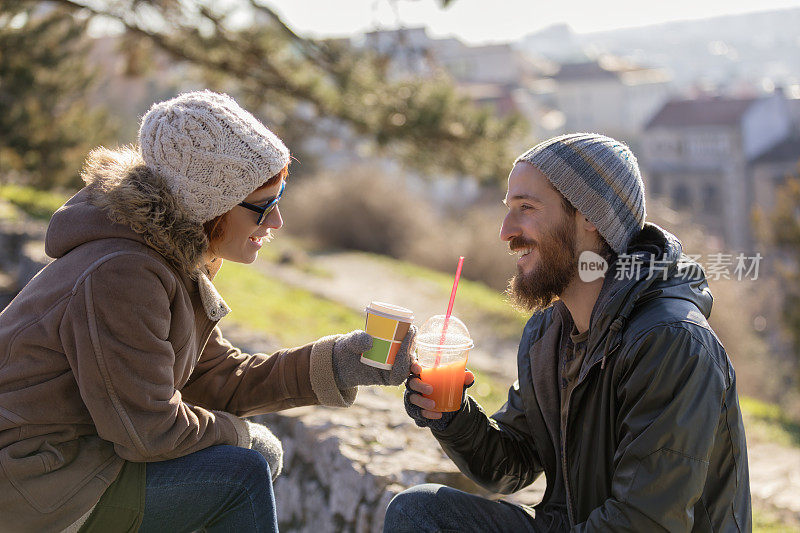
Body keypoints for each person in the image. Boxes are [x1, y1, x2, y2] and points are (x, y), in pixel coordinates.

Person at [0, 90, 414, 532]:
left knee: (252, 459)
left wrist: (341, 363)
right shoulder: (123, 274)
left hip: (75, 460)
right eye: (263, 207)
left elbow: (217, 378)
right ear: (209, 205)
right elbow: (149, 431)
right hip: (34, 479)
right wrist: (240, 435)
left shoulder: (162, 257)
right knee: (240, 475)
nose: (276, 223)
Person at [386, 133, 751, 532]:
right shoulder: (548, 335)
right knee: (418, 513)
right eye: (509, 209)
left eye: (526, 208)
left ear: (590, 216)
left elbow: (643, 522)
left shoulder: (672, 342)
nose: (506, 231)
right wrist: (452, 414)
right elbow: (513, 464)